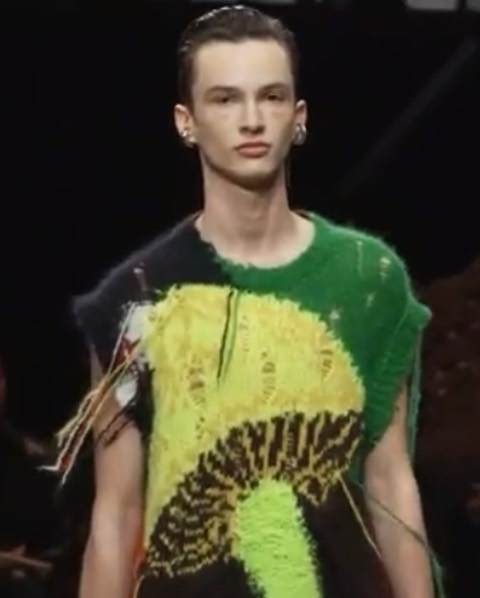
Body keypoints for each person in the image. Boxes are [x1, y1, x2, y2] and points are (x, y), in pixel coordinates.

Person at [54, 5, 444, 598]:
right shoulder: (136, 300)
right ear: (186, 122)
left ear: (299, 117)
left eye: (272, 96)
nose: (252, 120)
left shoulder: (368, 280)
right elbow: (116, 515)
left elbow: (391, 482)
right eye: (225, 99)